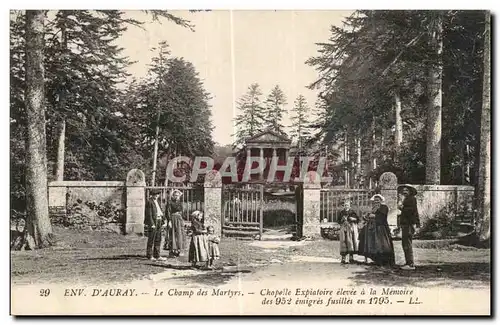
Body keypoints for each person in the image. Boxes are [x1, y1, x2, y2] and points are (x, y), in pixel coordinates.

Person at [358, 194, 395, 267]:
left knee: (382, 244)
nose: (376, 202)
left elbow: (383, 217)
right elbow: (370, 217)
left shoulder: (384, 207)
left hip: (381, 228)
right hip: (372, 228)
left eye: (378, 200)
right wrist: (366, 217)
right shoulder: (373, 208)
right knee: (373, 244)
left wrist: (374, 216)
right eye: (375, 201)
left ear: (381, 201)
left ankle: (383, 261)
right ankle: (376, 260)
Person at [398, 185, 420, 270]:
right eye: (403, 190)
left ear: (410, 191)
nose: (404, 191)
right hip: (406, 224)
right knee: (405, 242)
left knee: (407, 243)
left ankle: (410, 264)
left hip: (409, 224)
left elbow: (411, 211)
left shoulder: (412, 199)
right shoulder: (407, 199)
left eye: (406, 190)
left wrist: (402, 207)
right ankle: (408, 262)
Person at [144, 189, 167, 261]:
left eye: (157, 194)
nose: (156, 196)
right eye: (155, 194)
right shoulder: (149, 202)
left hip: (159, 220)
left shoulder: (158, 201)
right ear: (152, 195)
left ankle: (157, 255)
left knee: (158, 238)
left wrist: (163, 221)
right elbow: (149, 214)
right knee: (151, 239)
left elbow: (160, 211)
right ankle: (149, 255)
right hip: (153, 222)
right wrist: (152, 224)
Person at [337, 199, 359, 264]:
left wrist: (353, 219)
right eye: (345, 205)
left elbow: (357, 220)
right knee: (343, 242)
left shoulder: (352, 212)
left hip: (350, 228)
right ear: (344, 206)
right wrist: (342, 219)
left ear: (350, 206)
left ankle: (351, 258)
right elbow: (338, 221)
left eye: (348, 205)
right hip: (343, 229)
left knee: (350, 242)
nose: (346, 206)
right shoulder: (341, 212)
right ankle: (343, 258)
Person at [166, 189, 187, 257]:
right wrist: (169, 221)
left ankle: (179, 250)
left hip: (179, 219)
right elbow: (168, 212)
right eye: (175, 195)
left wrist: (182, 219)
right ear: (173, 196)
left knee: (180, 234)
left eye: (178, 195)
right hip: (173, 218)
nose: (177, 197)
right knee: (172, 235)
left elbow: (182, 211)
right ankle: (171, 251)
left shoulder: (179, 202)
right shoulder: (170, 202)